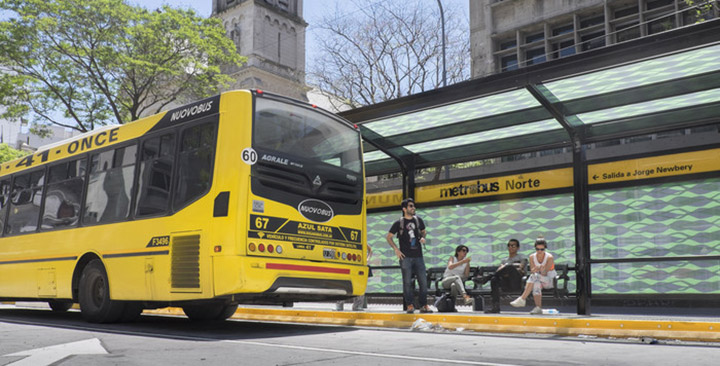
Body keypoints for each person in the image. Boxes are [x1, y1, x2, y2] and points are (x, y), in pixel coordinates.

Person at [386, 198, 433, 314]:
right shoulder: (399, 223)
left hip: (418, 256)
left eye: (414, 206)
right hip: (405, 257)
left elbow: (424, 231)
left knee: (423, 282)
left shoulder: (418, 220)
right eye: (411, 206)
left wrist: (423, 238)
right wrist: (396, 249)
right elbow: (388, 237)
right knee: (407, 282)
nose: (413, 208)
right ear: (404, 209)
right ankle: (410, 305)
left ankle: (423, 305)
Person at [510, 235, 556, 314]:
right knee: (536, 282)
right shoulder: (532, 257)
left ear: (545, 249)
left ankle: (522, 298)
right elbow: (532, 271)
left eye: (542, 249)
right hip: (537, 279)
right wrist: (535, 270)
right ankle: (538, 307)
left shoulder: (549, 257)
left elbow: (545, 273)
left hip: (548, 280)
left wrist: (542, 269)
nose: (540, 251)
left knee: (535, 277)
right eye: (537, 249)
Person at [483, 238, 527, 313]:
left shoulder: (522, 258)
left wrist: (507, 266)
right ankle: (495, 307)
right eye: (509, 245)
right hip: (506, 283)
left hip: (516, 282)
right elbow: (499, 271)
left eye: (513, 246)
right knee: (494, 279)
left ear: (517, 248)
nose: (510, 247)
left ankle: (487, 278)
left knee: (509, 267)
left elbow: (520, 268)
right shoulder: (504, 260)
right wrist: (506, 268)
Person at [336, 245, 373, 311]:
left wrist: (367, 259)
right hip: (348, 264)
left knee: (359, 285)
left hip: (359, 265)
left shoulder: (360, 241)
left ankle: (356, 306)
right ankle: (340, 305)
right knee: (343, 285)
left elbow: (370, 250)